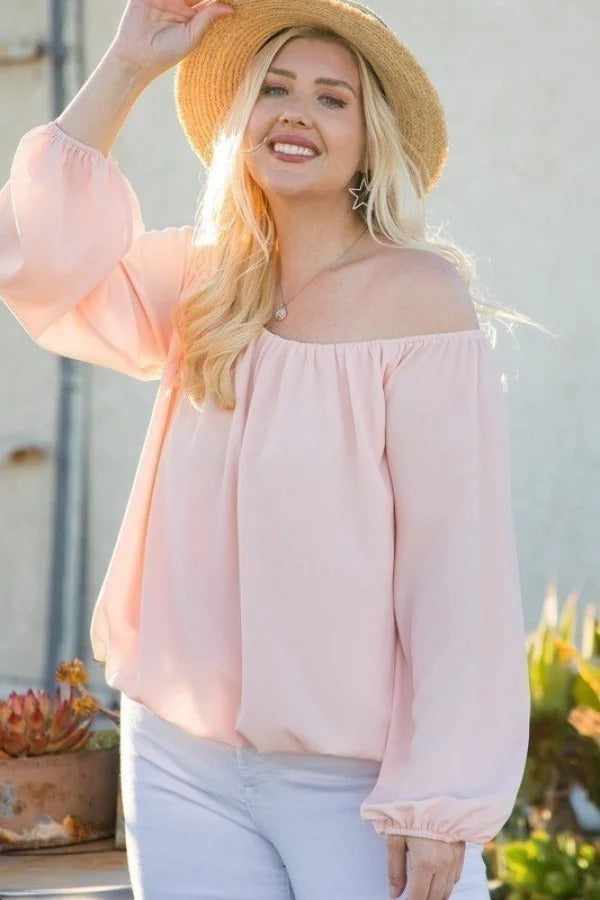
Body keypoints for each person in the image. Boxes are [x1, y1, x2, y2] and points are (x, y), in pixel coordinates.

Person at [0, 0, 532, 897]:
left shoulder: (419, 301)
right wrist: (127, 64)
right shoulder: (206, 283)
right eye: (274, 88)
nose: (294, 111)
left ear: (372, 142)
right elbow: (36, 262)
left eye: (333, 98)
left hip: (357, 786)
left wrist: (438, 801)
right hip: (176, 764)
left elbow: (455, 571)